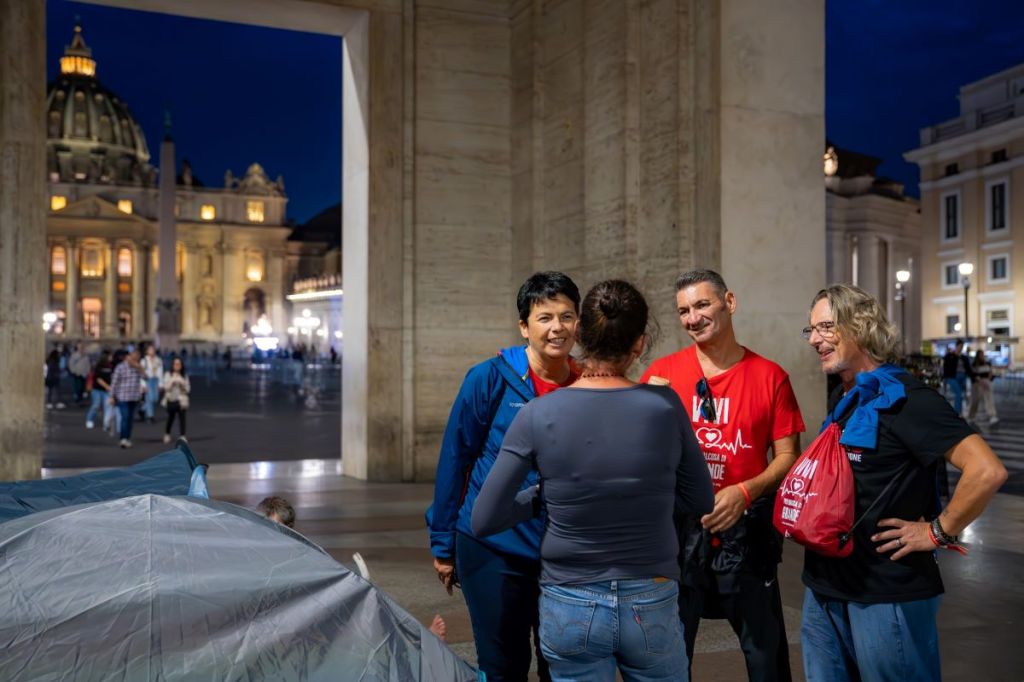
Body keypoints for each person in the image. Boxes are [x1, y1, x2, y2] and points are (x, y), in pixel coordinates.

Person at [473, 279, 714, 681]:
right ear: (639, 343)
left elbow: (484, 518)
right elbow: (701, 498)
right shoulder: (665, 407)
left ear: (581, 334)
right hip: (650, 593)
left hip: (570, 599)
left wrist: (541, 496)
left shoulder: (538, 413)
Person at [801, 284, 1007, 680]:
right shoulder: (844, 398)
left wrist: (936, 532)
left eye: (826, 327)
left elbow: (986, 470)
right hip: (825, 586)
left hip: (886, 592)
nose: (814, 339)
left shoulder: (908, 399)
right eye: (810, 330)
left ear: (859, 327)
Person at [640, 269, 805, 682]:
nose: (692, 318)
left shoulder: (770, 376)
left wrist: (746, 493)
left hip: (746, 538)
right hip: (678, 538)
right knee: (669, 658)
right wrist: (643, 403)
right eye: (683, 311)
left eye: (701, 305)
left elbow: (788, 456)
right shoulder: (663, 374)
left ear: (729, 302)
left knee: (766, 656)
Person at [425, 271, 582, 682]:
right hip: (492, 548)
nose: (557, 328)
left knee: (563, 665)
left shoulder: (588, 384)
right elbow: (455, 459)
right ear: (524, 326)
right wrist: (443, 543)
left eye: (567, 317)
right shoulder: (489, 378)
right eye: (545, 317)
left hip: (565, 554)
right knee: (502, 667)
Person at [110, 347, 145, 448]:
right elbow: (114, 383)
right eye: (134, 357)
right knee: (125, 417)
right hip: (123, 397)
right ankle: (123, 438)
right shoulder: (120, 367)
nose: (136, 359)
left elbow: (146, 377)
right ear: (129, 356)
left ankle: (127, 438)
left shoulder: (138, 367)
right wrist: (112, 396)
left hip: (134, 397)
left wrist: (139, 367)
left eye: (137, 358)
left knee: (130, 419)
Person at [162, 357, 191, 444]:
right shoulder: (168, 374)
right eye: (175, 364)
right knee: (171, 417)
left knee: (182, 417)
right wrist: (172, 383)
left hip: (181, 399)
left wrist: (182, 385)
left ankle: (182, 435)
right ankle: (167, 433)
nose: (177, 366)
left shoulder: (184, 376)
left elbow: (188, 389)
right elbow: (165, 387)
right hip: (171, 398)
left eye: (179, 364)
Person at [941, 339, 972, 416]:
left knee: (961, 394)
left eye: (962, 347)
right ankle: (957, 412)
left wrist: (972, 377)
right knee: (958, 393)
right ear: (957, 346)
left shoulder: (963, 357)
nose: (960, 348)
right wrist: (945, 377)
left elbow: (968, 368)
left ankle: (959, 411)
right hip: (952, 377)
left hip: (963, 377)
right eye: (960, 346)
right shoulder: (950, 356)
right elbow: (945, 367)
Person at [967, 350, 998, 425]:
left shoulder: (987, 363)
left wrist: (990, 377)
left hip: (986, 382)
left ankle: (992, 415)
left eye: (983, 354)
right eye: (981, 355)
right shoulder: (975, 364)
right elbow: (973, 375)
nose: (982, 356)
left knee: (989, 399)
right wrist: (981, 381)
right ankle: (971, 416)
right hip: (977, 384)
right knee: (975, 400)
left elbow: (990, 372)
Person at [85, 350, 114, 430]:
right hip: (97, 389)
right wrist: (106, 386)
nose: (111, 358)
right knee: (96, 405)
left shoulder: (111, 366)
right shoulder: (99, 367)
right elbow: (98, 379)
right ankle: (89, 420)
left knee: (108, 406)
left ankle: (106, 423)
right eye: (110, 356)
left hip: (107, 390)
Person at [141, 344, 164, 423]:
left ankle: (143, 409)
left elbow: (160, 372)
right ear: (147, 351)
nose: (152, 351)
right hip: (148, 379)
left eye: (153, 349)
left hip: (156, 380)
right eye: (150, 350)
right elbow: (142, 373)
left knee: (155, 398)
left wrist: (161, 384)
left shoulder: (159, 360)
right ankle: (150, 416)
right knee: (149, 398)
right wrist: (143, 385)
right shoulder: (144, 360)